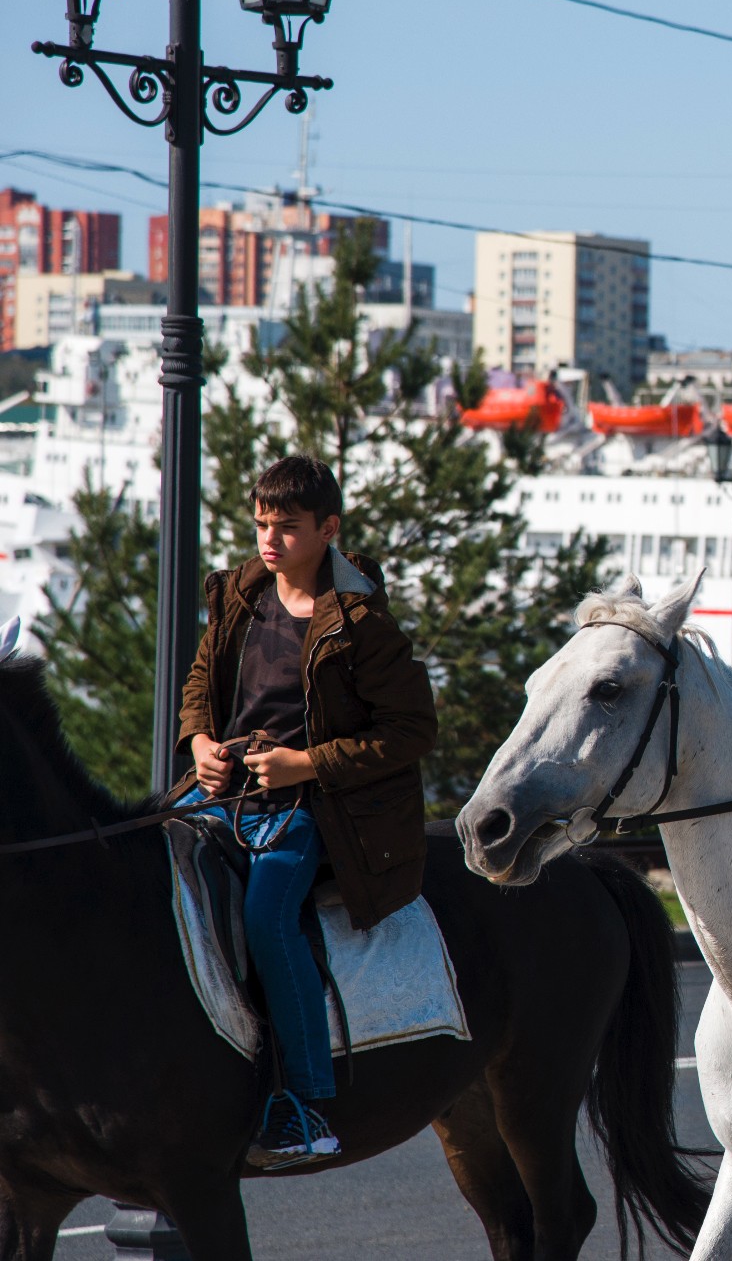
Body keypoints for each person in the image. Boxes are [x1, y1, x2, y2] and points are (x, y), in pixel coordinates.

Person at [173, 455, 437, 1169]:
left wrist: (306, 764)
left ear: (329, 529)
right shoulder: (238, 595)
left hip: (315, 808)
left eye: (286, 528)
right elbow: (200, 679)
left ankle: (306, 1104)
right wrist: (198, 741)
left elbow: (413, 731)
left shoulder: (361, 621)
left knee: (266, 917)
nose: (269, 540)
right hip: (226, 793)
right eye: (261, 524)